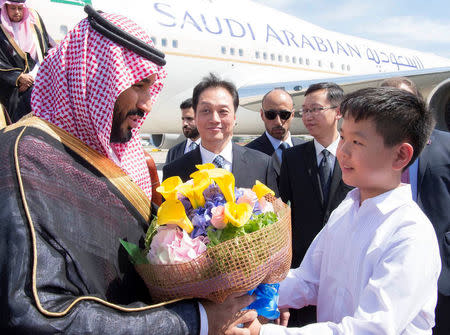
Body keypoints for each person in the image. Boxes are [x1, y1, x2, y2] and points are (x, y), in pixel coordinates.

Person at [0, 8, 256, 334]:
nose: (148, 104)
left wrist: (220, 310)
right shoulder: (23, 157)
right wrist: (197, 321)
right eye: (138, 85)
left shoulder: (128, 162)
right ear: (92, 78)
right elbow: (34, 315)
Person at [248, 87, 441, 335]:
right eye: (343, 138)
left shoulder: (410, 234)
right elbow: (308, 280)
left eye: (357, 142)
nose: (343, 152)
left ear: (400, 155)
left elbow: (369, 329)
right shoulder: (347, 209)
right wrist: (246, 294)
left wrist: (262, 332)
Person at [278, 82, 352, 326]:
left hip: (346, 267)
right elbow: (282, 213)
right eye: (304, 111)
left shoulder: (354, 154)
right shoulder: (292, 158)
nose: (308, 116)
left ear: (338, 111)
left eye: (315, 109)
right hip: (302, 269)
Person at [381, 77, 450, 335]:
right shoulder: (374, 154)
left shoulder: (446, 145)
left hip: (443, 272)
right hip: (390, 269)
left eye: (405, 101)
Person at [163, 73, 276, 192]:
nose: (215, 119)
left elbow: (275, 210)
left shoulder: (262, 165)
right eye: (206, 110)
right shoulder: (173, 172)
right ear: (195, 117)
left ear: (234, 118)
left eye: (223, 111)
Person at [0, 0, 54, 123]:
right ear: (5, 7)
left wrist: (32, 78)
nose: (17, 12)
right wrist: (18, 78)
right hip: (8, 84)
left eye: (20, 8)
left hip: (36, 77)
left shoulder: (34, 20)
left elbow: (44, 51)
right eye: (13, 8)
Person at [245, 88, 304, 162]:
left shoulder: (309, 151)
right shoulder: (248, 155)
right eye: (271, 114)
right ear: (262, 115)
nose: (278, 122)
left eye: (284, 114)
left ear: (292, 115)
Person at [165, 98, 200, 164]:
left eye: (189, 119)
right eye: (183, 119)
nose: (184, 123)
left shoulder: (214, 150)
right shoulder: (173, 152)